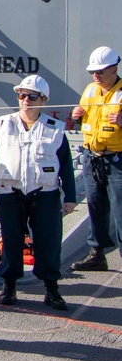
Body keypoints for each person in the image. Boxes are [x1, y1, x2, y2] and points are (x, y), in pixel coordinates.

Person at [0, 75, 76, 309]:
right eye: (22, 95)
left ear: (43, 100)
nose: (26, 100)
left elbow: (66, 165)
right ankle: (9, 286)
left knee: (48, 242)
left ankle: (51, 288)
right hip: (9, 192)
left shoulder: (55, 130)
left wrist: (70, 197)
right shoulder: (2, 125)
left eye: (32, 96)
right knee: (11, 241)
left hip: (45, 193)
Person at [70, 46, 122, 271]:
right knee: (95, 207)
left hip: (117, 159)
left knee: (120, 211)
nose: (95, 75)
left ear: (114, 69)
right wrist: (77, 116)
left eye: (100, 71)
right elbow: (89, 121)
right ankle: (97, 254)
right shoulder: (91, 90)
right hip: (92, 157)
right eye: (93, 71)